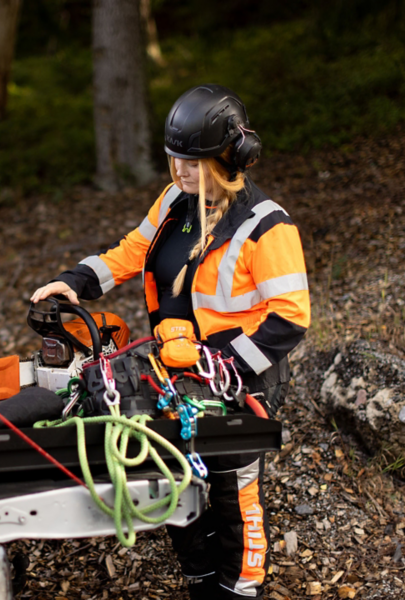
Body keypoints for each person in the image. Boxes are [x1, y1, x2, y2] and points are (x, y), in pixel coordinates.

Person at [31, 84, 310, 600]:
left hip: (244, 376)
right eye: (174, 159)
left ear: (230, 157)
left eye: (193, 161)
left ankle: (239, 588)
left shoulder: (266, 226)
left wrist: (221, 363)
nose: (180, 171)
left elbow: (291, 318)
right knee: (176, 469)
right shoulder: (175, 201)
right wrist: (77, 281)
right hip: (176, 366)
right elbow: (133, 250)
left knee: (232, 487)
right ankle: (200, 578)